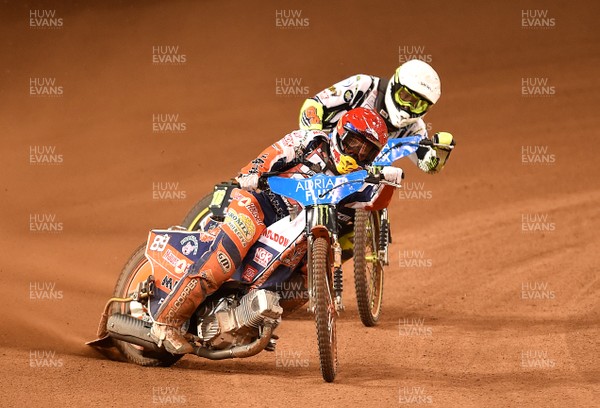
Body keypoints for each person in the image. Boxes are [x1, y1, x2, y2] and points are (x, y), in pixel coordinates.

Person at [150, 107, 404, 354]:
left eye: (366, 150)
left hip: (301, 232)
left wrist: (389, 180)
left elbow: (376, 203)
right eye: (354, 143)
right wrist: (252, 174)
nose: (357, 153)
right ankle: (166, 322)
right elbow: (270, 156)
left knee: (302, 290)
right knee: (222, 261)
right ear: (340, 133)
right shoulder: (311, 141)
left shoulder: (360, 180)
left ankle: (248, 320)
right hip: (261, 206)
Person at [299, 59, 455, 174]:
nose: (408, 107)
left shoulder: (415, 129)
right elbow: (313, 106)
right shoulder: (364, 86)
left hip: (360, 175)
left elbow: (427, 165)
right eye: (405, 97)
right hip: (319, 157)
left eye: (418, 104)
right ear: (395, 84)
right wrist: (313, 139)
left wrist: (440, 153)